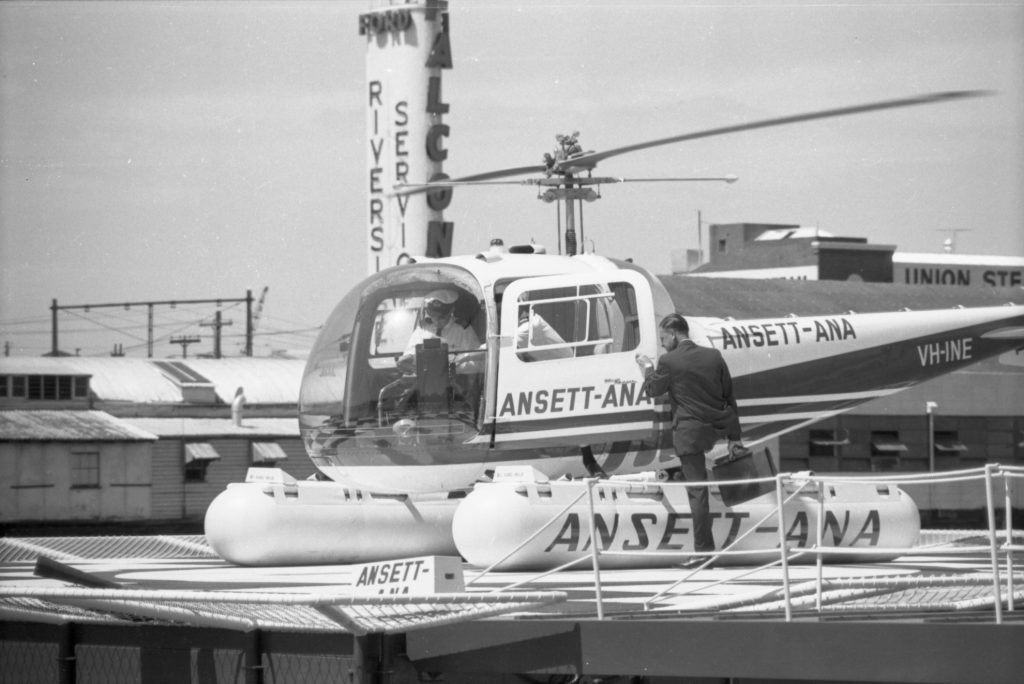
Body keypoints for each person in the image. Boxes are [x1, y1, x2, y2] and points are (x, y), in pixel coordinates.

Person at [636, 313, 744, 567]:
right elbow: (730, 396)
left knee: (698, 491)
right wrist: (734, 438)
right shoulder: (714, 356)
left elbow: (654, 390)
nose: (662, 344)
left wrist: (647, 369)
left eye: (663, 338)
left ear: (673, 334)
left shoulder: (669, 361)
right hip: (718, 429)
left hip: (690, 434)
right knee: (709, 487)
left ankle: (704, 552)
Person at [399, 288, 482, 373]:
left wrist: (452, 366)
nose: (436, 321)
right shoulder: (423, 328)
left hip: (456, 382)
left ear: (451, 311)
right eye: (432, 315)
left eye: (441, 317)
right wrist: (409, 359)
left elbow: (479, 363)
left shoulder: (463, 329)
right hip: (425, 380)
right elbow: (409, 356)